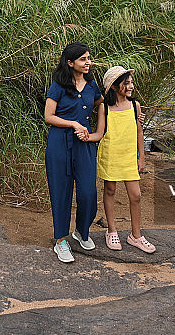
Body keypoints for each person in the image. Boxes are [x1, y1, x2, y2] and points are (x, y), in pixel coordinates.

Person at [44, 43, 105, 263]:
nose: (88, 62)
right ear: (70, 63)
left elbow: (101, 104)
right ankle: (61, 240)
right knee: (61, 191)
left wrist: (97, 130)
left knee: (88, 192)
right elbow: (48, 116)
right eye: (83, 59)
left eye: (89, 58)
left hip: (85, 143)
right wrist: (72, 124)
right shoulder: (58, 85)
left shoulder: (92, 85)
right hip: (60, 142)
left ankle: (81, 231)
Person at [96, 66, 156, 254]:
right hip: (110, 153)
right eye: (126, 83)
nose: (131, 86)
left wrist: (141, 157)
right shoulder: (104, 107)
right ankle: (112, 230)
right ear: (114, 87)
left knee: (136, 195)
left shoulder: (135, 106)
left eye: (131, 82)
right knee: (110, 189)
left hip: (129, 156)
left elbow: (139, 132)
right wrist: (84, 135)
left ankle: (135, 236)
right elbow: (99, 132)